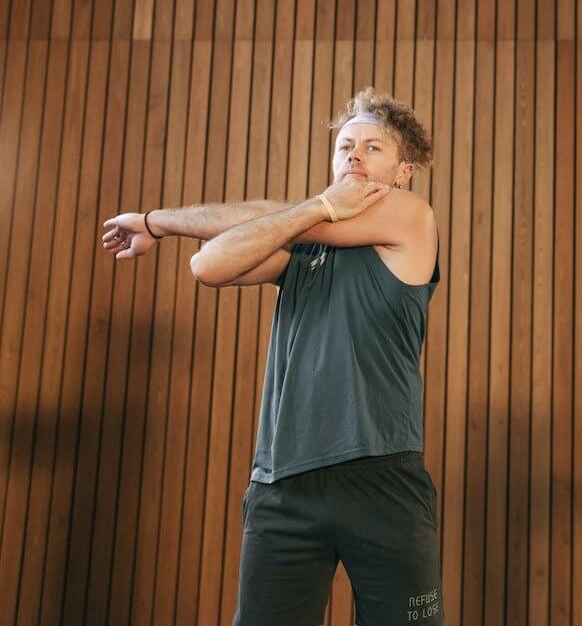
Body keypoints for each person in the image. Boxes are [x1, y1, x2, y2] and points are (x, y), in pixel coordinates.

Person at [103, 88, 445, 626]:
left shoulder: (411, 216)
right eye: (344, 146)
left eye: (372, 148)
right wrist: (152, 222)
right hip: (282, 487)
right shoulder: (305, 240)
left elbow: (271, 216)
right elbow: (207, 265)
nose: (353, 155)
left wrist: (159, 222)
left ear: (403, 171)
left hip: (381, 480)